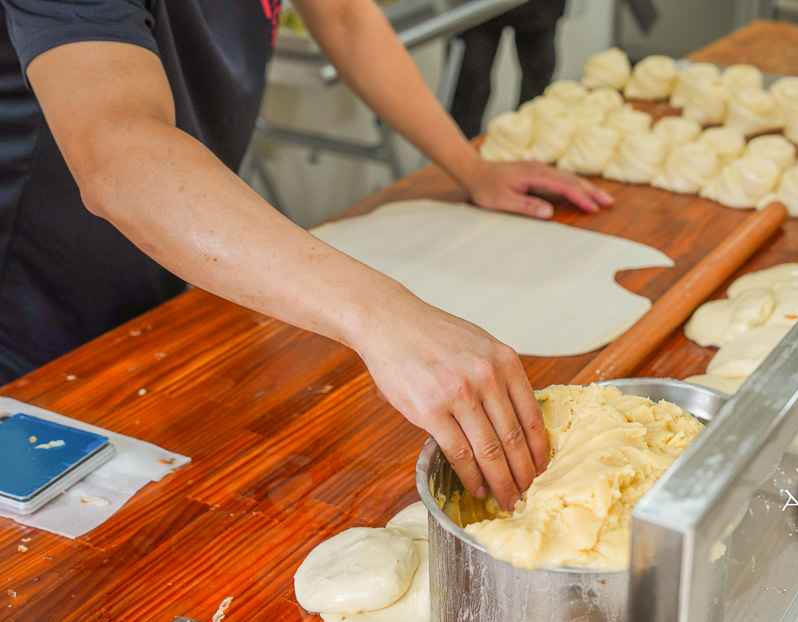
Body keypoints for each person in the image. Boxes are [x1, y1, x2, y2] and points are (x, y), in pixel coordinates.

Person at [0, 0, 613, 511]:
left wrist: (469, 167)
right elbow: (118, 153)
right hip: (31, 304)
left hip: (172, 268)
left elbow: (345, 17)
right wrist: (385, 317)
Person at [449, 0, 567, 139]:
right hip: (475, 8)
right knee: (470, 83)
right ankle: (459, 148)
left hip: (538, 7)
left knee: (538, 81)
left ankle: (530, 144)